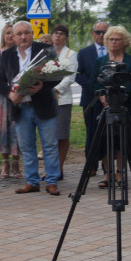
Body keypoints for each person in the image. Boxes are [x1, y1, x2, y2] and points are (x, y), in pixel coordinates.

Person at [0, 21, 61, 195]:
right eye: (19, 34)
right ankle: (32, 181)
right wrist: (10, 94)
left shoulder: (45, 50)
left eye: (27, 33)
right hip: (20, 108)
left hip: (44, 106)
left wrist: (42, 86)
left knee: (50, 146)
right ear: (14, 37)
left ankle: (51, 181)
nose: (23, 37)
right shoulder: (7, 55)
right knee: (26, 147)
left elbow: (57, 76)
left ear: (33, 34)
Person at [93, 25, 131, 188]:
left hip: (125, 105)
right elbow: (94, 81)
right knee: (105, 139)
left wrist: (120, 94)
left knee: (121, 140)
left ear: (124, 42)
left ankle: (120, 174)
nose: (113, 42)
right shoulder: (100, 61)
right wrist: (102, 96)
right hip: (104, 106)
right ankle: (108, 174)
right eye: (111, 39)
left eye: (117, 39)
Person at [76, 21, 108, 178]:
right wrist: (95, 88)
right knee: (92, 133)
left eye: (104, 32)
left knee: (109, 134)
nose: (101, 35)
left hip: (110, 99)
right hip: (91, 99)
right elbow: (78, 74)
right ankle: (91, 165)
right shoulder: (84, 52)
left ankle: (108, 168)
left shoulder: (115, 50)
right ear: (92, 33)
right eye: (98, 32)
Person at [50, 25, 77, 182]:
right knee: (49, 136)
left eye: (61, 34)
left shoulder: (71, 54)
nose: (58, 36)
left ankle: (59, 168)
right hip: (46, 99)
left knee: (61, 135)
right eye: (55, 33)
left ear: (65, 37)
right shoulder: (47, 52)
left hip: (62, 99)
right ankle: (50, 168)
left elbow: (70, 76)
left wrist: (56, 89)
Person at [0, 23, 20, 178]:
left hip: (17, 97)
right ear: (3, 36)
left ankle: (16, 163)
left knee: (16, 129)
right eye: (7, 33)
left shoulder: (20, 52)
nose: (10, 35)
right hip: (0, 97)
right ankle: (5, 162)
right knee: (1, 129)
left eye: (12, 33)